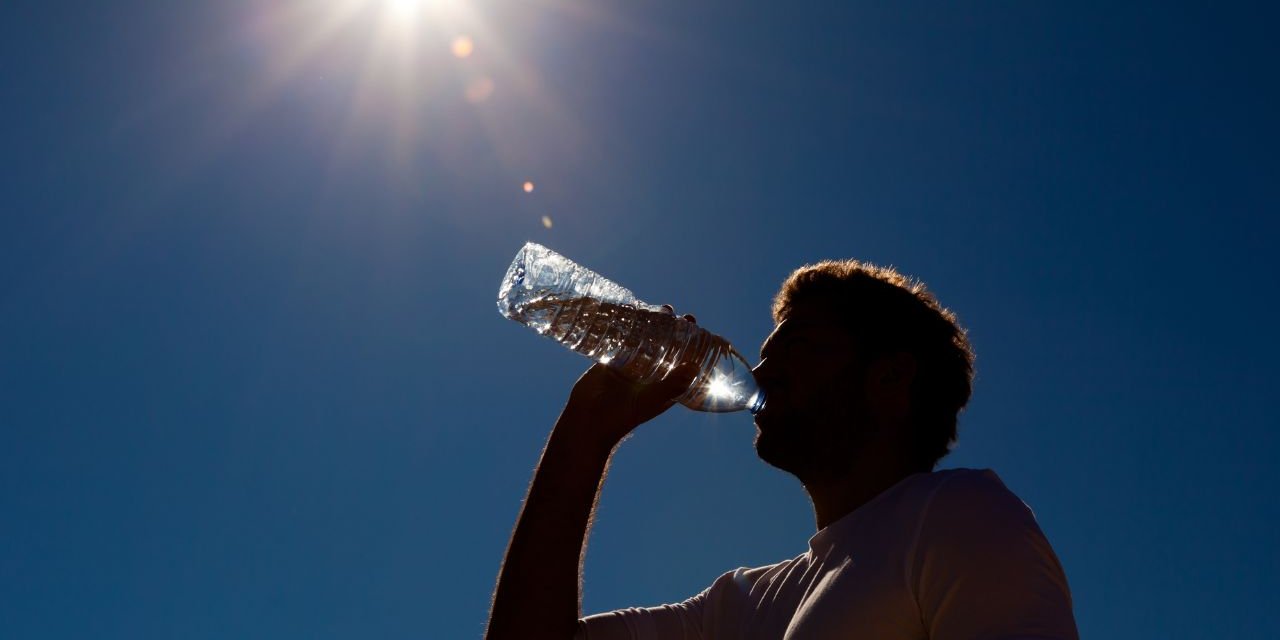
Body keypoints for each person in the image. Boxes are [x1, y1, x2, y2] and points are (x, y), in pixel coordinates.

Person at [485, 259, 1078, 640]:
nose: (761, 371)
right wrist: (586, 431)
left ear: (891, 379)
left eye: (797, 347)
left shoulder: (960, 515)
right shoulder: (742, 605)